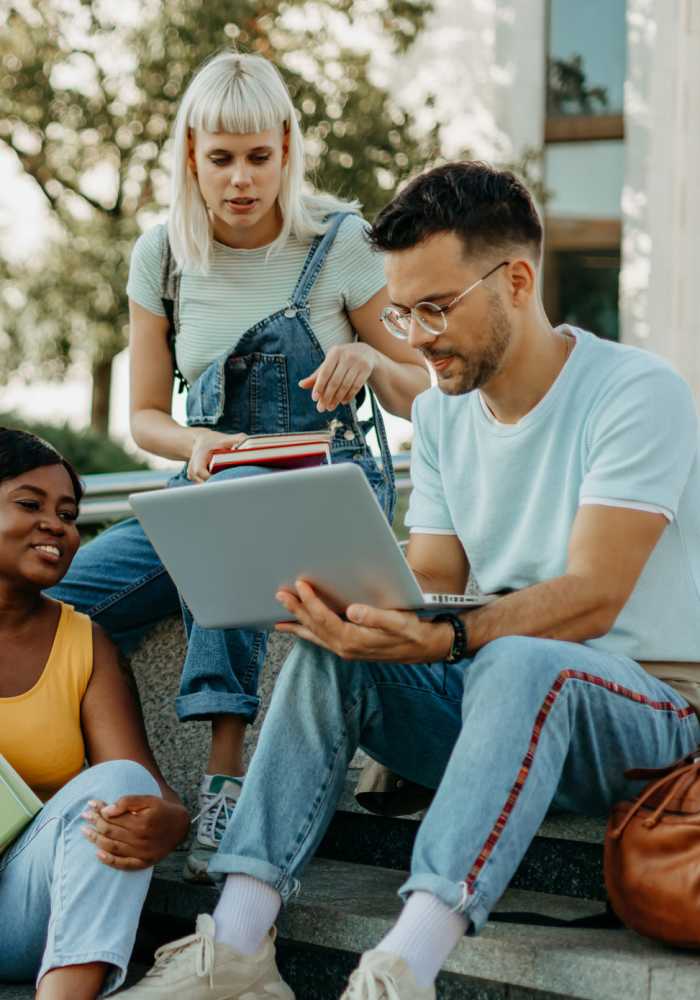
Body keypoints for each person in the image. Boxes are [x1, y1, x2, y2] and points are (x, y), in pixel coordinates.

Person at [119, 159, 700, 1000]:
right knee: (333, 654)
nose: (416, 336)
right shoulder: (441, 414)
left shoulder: (635, 392)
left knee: (518, 658)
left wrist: (451, 633)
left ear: (516, 280)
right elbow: (431, 575)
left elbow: (595, 595)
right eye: (402, 312)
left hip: (647, 717)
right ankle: (236, 948)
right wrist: (355, 608)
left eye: (435, 308)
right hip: (494, 694)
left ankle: (404, 968)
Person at [50, 50, 429, 883]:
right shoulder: (163, 255)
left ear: (287, 147)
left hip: (326, 485)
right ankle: (118, 784)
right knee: (53, 606)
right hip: (212, 481)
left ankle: (224, 775)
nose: (241, 177)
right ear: (191, 153)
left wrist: (371, 361)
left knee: (235, 508)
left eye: (259, 155)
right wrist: (200, 447)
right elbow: (147, 415)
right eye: (222, 157)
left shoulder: (339, 242)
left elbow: (420, 393)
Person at [0, 428, 190, 1000]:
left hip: (22, 908)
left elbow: (142, 785)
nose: (56, 526)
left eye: (68, 513)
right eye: (30, 504)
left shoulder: (84, 642)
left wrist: (169, 823)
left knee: (119, 787)